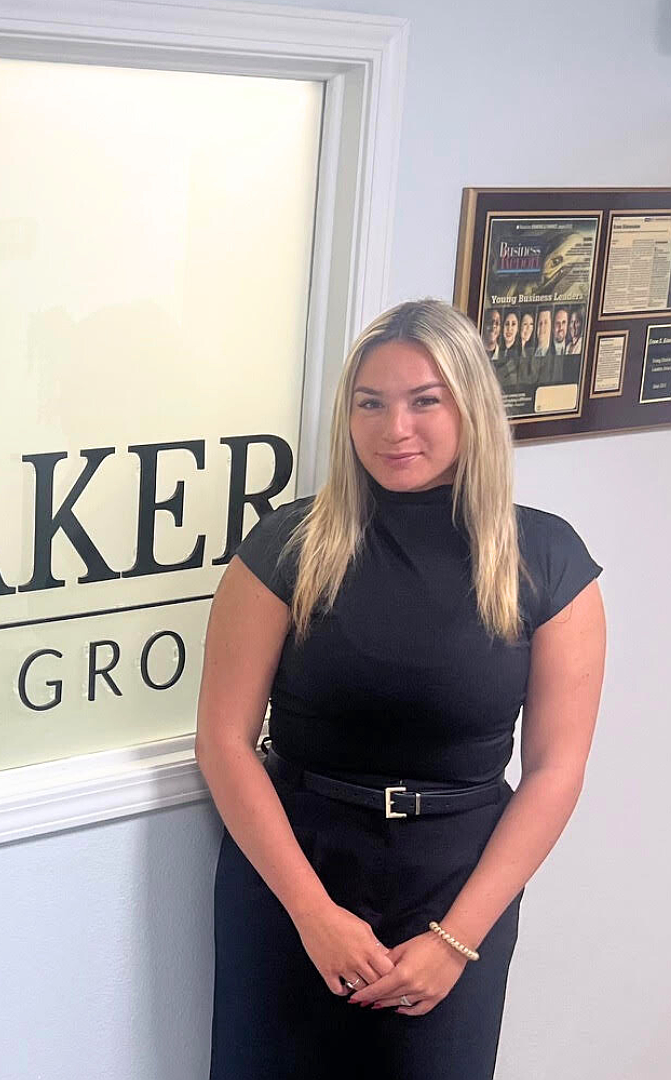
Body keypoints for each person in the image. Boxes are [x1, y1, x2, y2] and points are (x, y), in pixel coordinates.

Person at [197, 298, 606, 1080]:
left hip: (458, 886)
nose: (395, 429)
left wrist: (456, 941)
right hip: (295, 869)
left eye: (425, 401)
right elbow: (223, 741)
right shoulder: (288, 545)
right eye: (371, 404)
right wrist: (312, 914)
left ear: (471, 408)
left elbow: (556, 771)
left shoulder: (546, 559)